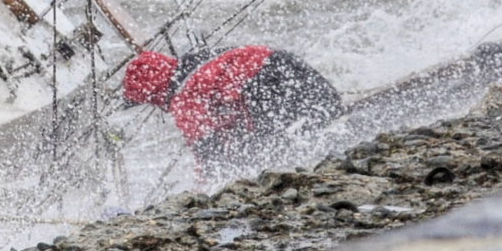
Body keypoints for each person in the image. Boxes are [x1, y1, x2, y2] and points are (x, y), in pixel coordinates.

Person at [122, 45, 344, 172]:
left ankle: (313, 161)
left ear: (154, 93)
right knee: (327, 108)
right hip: (279, 58)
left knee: (268, 145)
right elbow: (230, 109)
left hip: (260, 81)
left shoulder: (185, 97)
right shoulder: (201, 60)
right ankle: (344, 137)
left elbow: (206, 148)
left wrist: (208, 186)